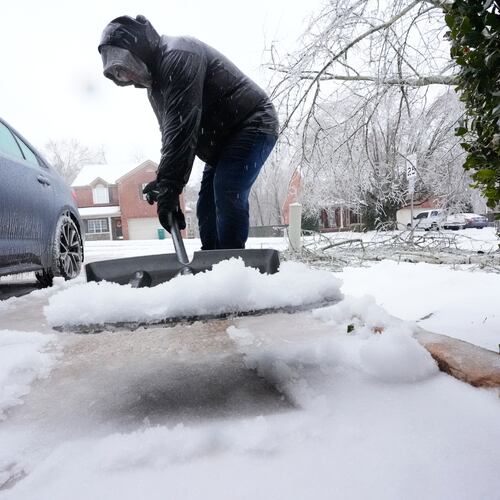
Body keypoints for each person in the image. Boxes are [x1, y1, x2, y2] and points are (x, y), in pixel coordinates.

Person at [98, 15, 279, 249]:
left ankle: (234, 266)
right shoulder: (156, 87)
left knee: (226, 189)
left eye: (127, 67)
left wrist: (171, 188)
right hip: (221, 142)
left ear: (139, 50)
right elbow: (172, 135)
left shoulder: (179, 54)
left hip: (251, 122)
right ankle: (213, 267)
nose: (128, 77)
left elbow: (184, 129)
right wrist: (165, 181)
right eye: (120, 74)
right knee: (206, 207)